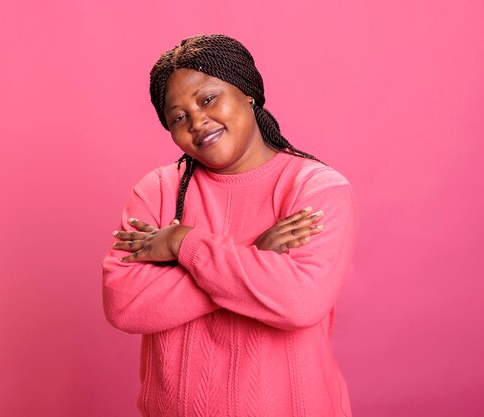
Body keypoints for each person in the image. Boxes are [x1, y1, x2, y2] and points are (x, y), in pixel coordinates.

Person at [102, 34, 359, 417]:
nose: (197, 121)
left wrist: (182, 244)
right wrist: (253, 252)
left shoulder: (317, 188)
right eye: (178, 116)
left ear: (248, 93)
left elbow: (298, 303)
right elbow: (126, 305)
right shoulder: (157, 190)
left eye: (207, 99)